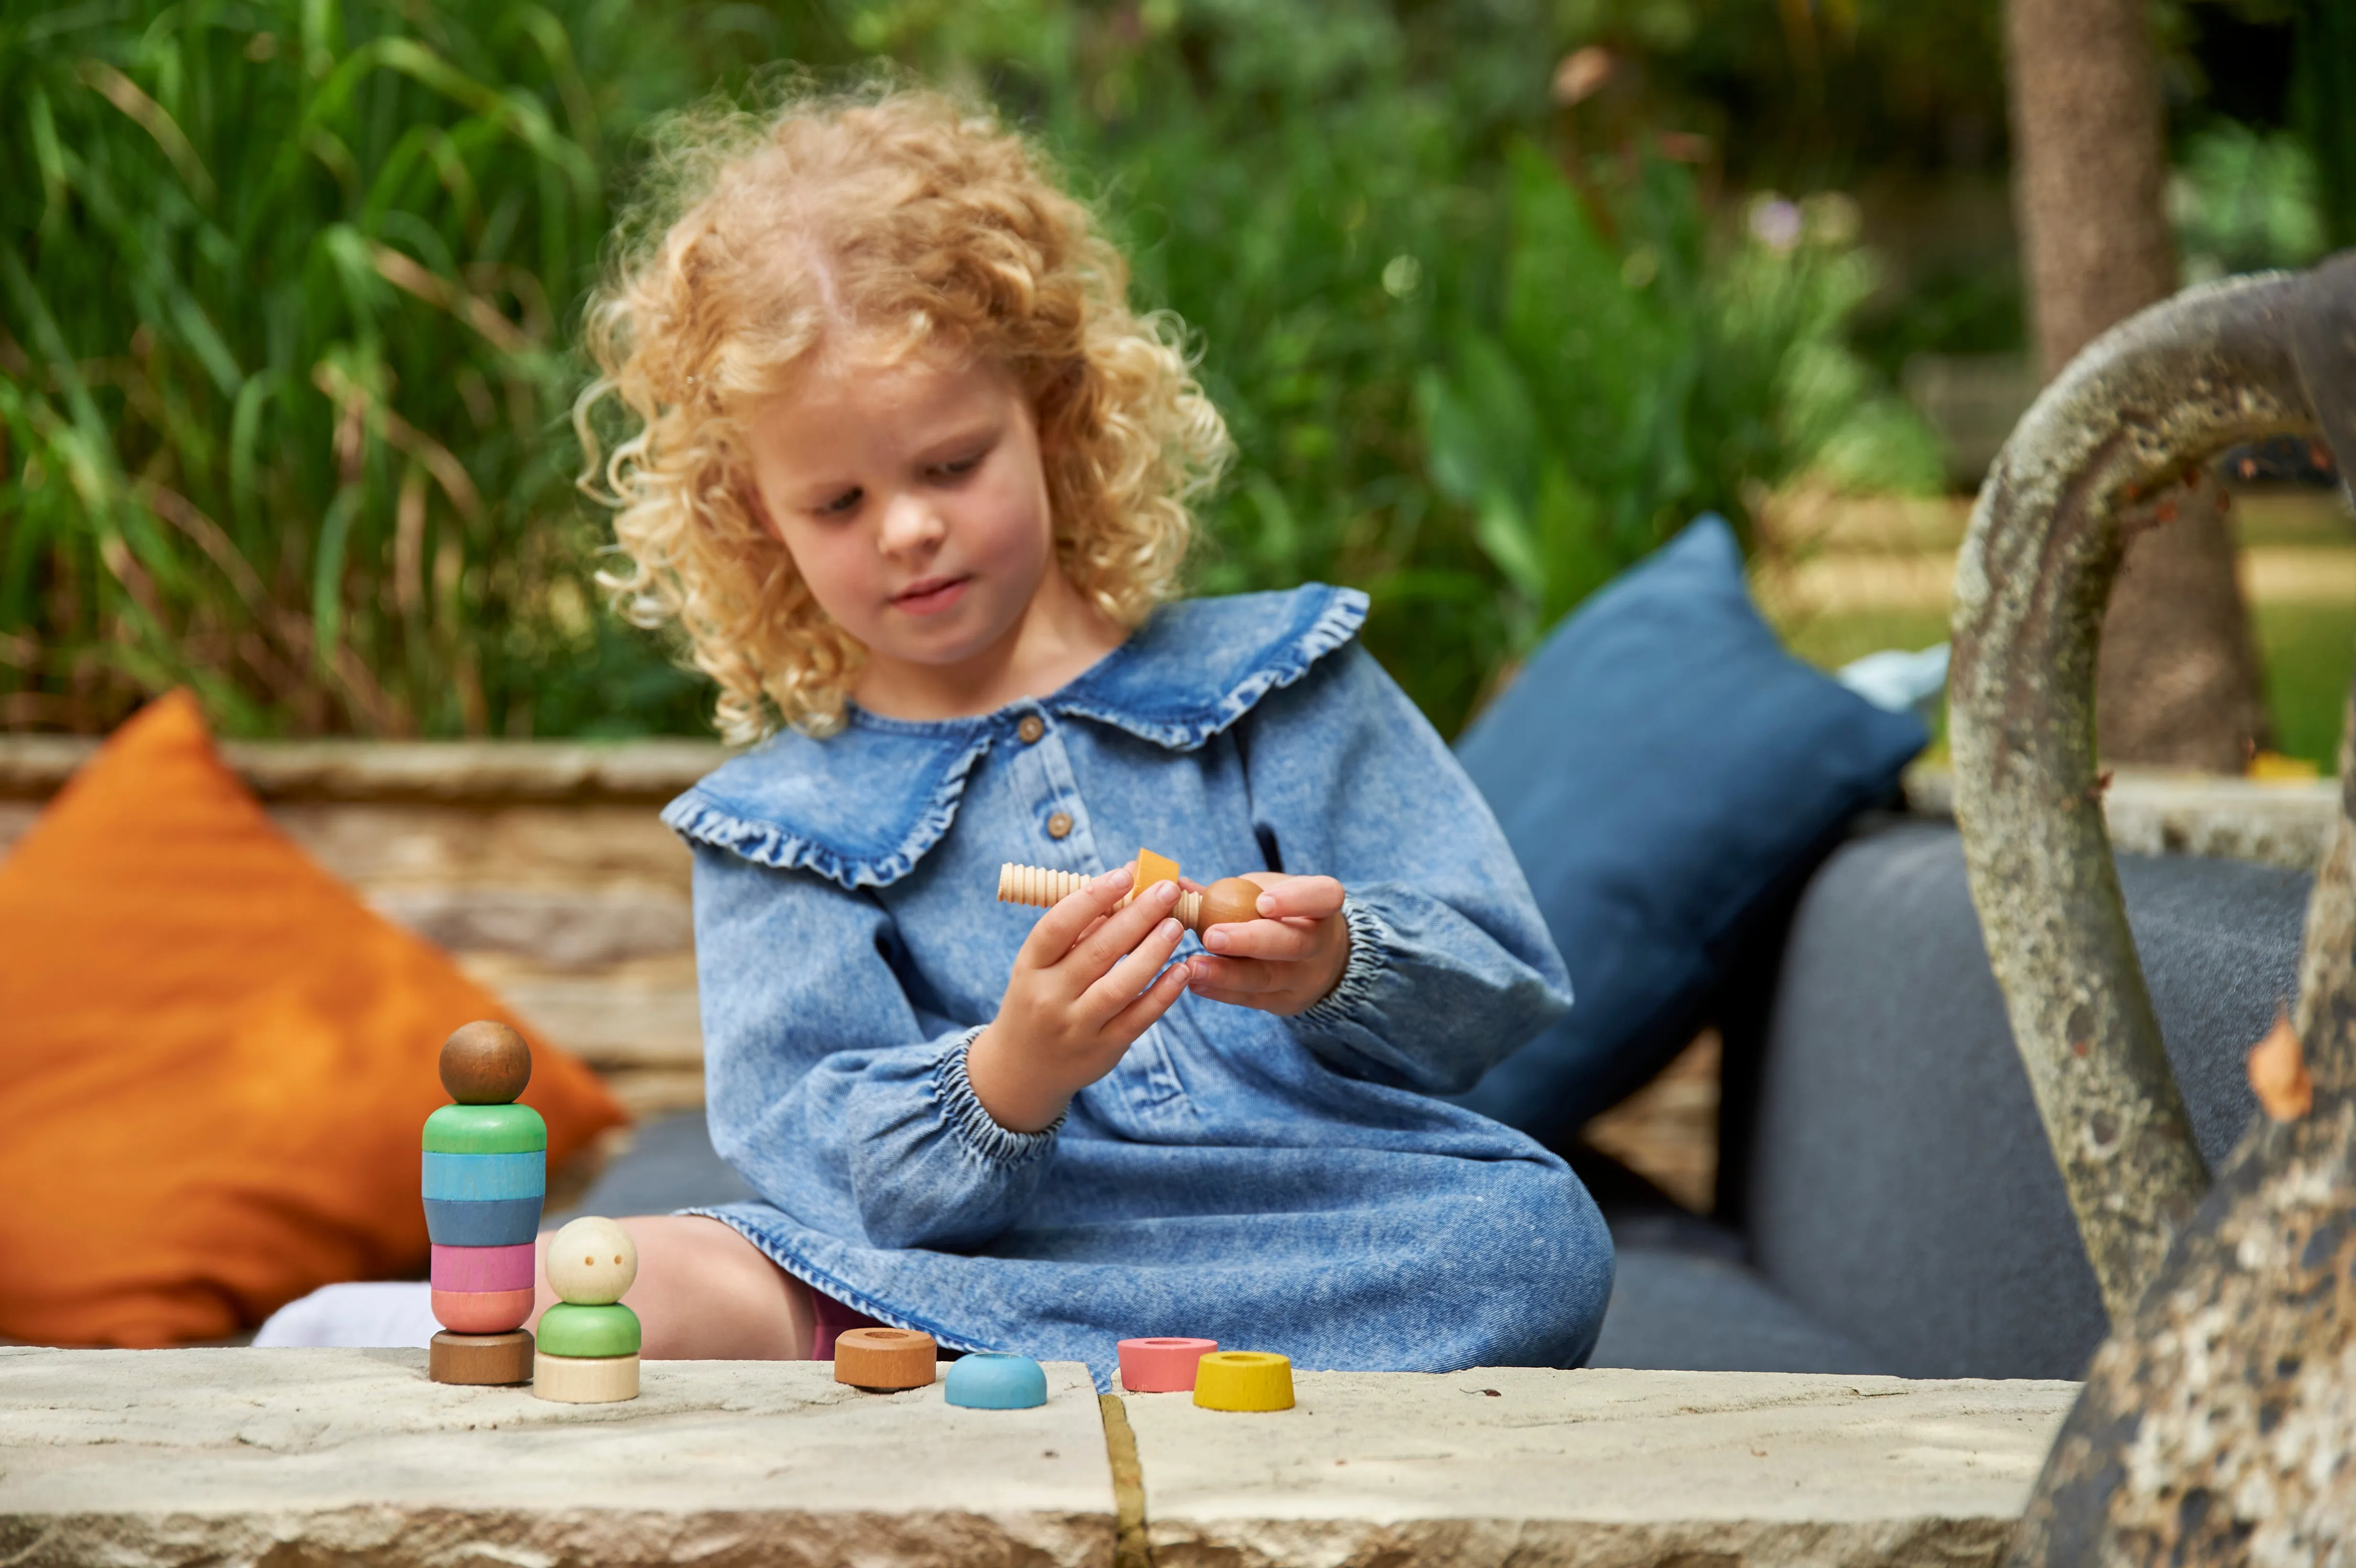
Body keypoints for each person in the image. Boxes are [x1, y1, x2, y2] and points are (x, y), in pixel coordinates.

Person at [567, 84, 1612, 1386]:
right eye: (837, 500)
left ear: (1054, 422)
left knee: (1536, 1243)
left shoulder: (1274, 684)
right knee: (642, 1269)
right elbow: (819, 1153)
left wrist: (1339, 961)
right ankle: (892, 1320)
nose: (906, 528)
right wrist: (1010, 1074)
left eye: (951, 464)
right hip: (996, 1244)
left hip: (1314, 1212)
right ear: (753, 521)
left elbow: (1498, 983)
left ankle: (898, 1351)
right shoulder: (783, 826)